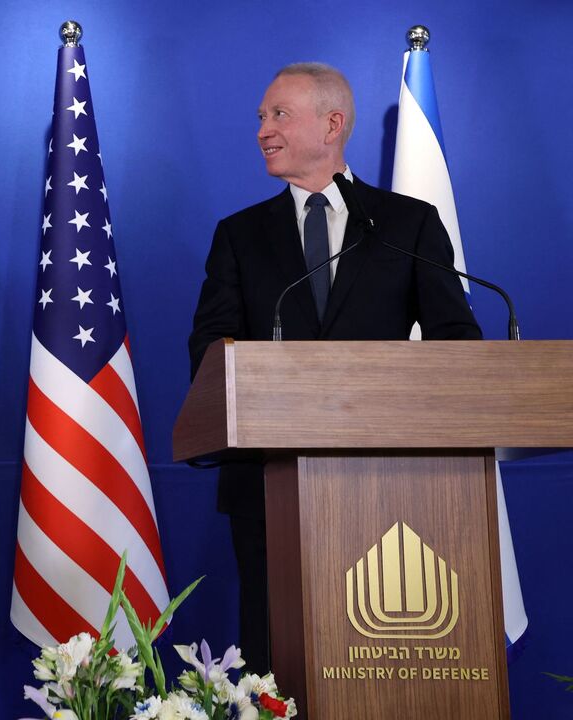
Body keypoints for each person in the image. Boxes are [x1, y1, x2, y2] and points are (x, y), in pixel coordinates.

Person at [187, 62, 480, 674]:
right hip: (267, 486)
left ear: (333, 124)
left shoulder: (407, 225)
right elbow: (210, 348)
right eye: (261, 118)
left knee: (377, 655)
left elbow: (457, 342)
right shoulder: (239, 235)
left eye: (278, 115)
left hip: (390, 487)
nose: (263, 130)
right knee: (274, 652)